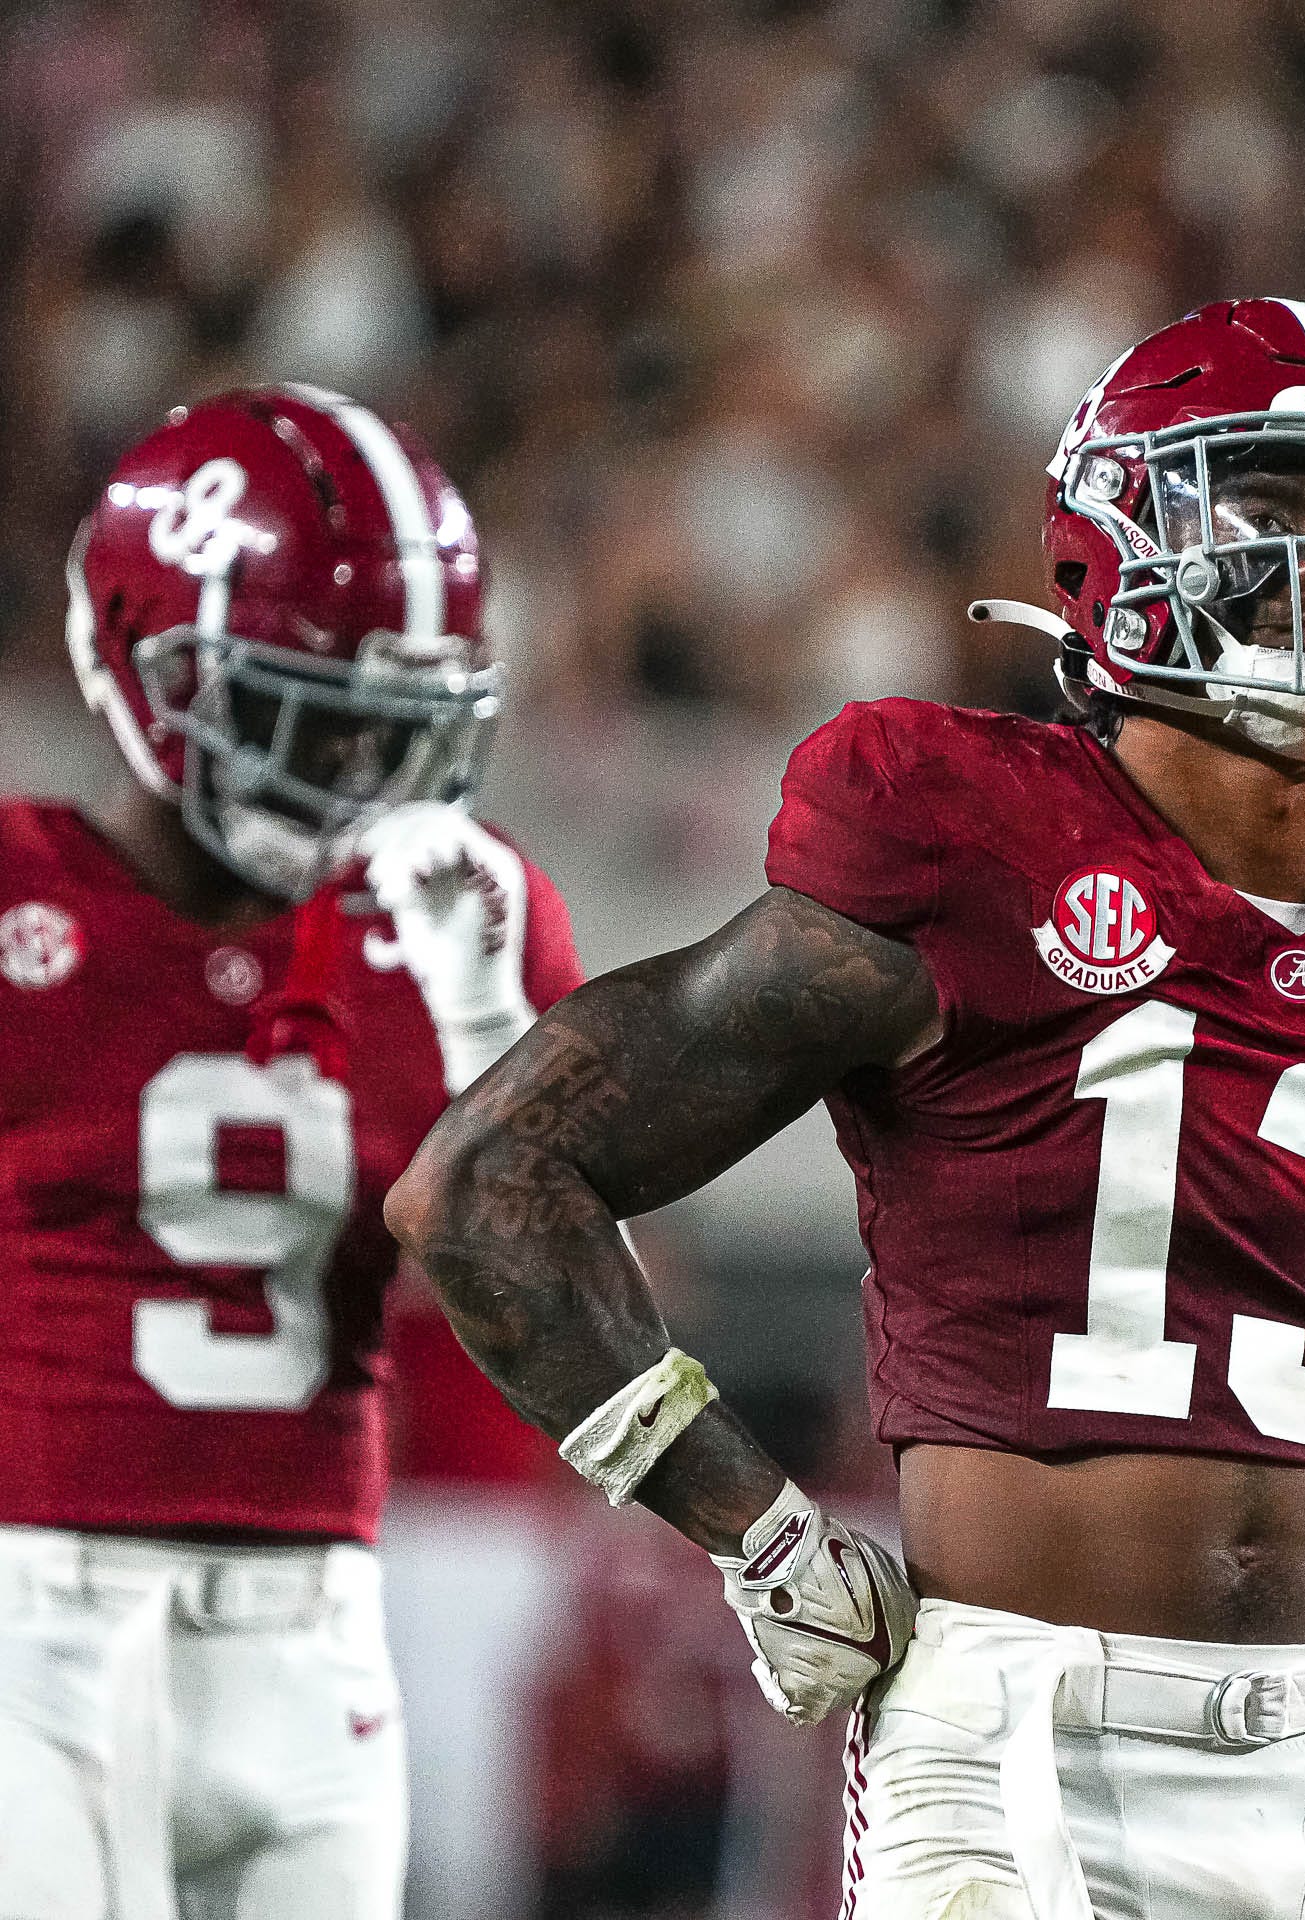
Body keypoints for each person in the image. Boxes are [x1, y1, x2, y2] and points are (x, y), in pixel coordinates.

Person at [387, 297, 1305, 1920]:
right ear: (1114, 541)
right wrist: (750, 1526)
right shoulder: (966, 839)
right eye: (1280, 505)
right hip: (1014, 1739)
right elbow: (495, 1181)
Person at [0, 386, 579, 1919]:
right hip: (31, 1619)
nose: (358, 778)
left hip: (318, 1624)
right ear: (142, 655)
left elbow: (575, 1332)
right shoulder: (16, 904)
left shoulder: (461, 920)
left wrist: (482, 1042)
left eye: (396, 729)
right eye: (310, 713)